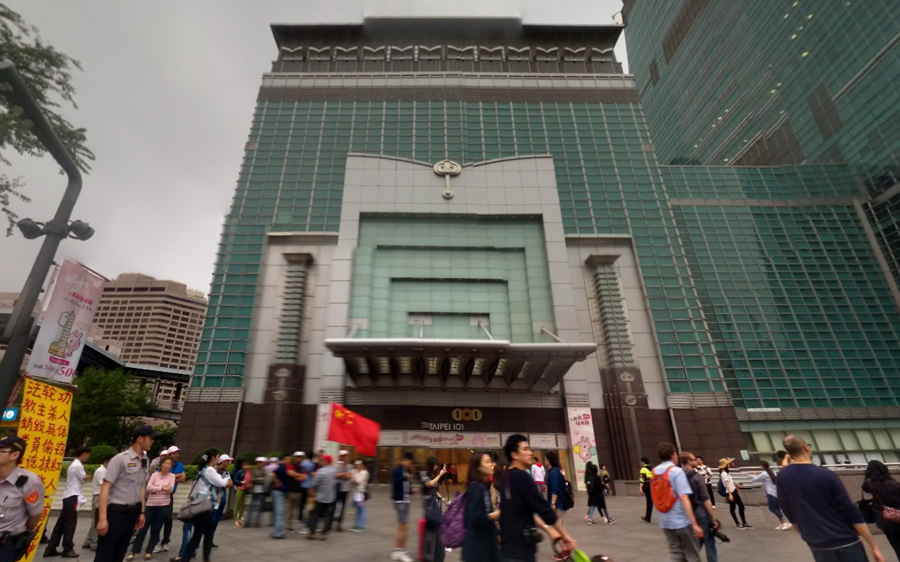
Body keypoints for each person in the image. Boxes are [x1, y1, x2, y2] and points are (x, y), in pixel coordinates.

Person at [777, 435, 885, 562]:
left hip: (817, 544)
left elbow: (788, 510)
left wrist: (806, 535)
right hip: (845, 540)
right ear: (805, 448)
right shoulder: (826, 475)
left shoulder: (782, 477)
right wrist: (873, 546)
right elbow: (850, 510)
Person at [499, 434, 576, 562]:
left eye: (529, 449)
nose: (530, 453)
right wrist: (565, 536)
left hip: (506, 549)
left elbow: (523, 511)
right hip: (521, 551)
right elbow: (544, 510)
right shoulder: (523, 477)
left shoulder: (505, 477)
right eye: (525, 449)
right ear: (514, 455)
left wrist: (547, 529)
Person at [94, 425, 160, 562]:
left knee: (120, 553)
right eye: (150, 438)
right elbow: (105, 488)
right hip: (115, 515)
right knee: (105, 554)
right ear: (140, 439)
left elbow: (142, 487)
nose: (152, 441)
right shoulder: (119, 459)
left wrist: (142, 512)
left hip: (131, 515)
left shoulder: (145, 461)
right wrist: (102, 518)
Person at [179, 449, 233, 562]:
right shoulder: (210, 470)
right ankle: (186, 559)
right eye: (218, 457)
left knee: (208, 536)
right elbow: (223, 483)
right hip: (205, 507)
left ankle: (205, 558)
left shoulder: (204, 469)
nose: (218, 460)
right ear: (213, 458)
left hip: (206, 505)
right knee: (198, 536)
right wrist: (227, 477)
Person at [652, 443, 703, 562]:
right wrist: (694, 523)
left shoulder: (655, 471)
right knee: (692, 554)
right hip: (681, 520)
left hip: (665, 520)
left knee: (675, 553)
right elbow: (684, 497)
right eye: (675, 454)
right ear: (672, 454)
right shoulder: (676, 471)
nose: (677, 457)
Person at [0, 435, 45, 562]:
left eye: (1, 450)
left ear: (14, 455)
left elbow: (35, 515)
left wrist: (20, 531)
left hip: (5, 547)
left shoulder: (29, 482)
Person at [45, 446, 91, 558]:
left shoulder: (73, 464)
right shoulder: (77, 465)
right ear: (84, 454)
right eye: (88, 454)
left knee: (61, 524)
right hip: (73, 497)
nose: (88, 457)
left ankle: (51, 548)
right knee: (70, 524)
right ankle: (67, 548)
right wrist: (89, 476)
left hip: (68, 496)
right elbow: (83, 478)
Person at [128, 457, 175, 560]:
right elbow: (149, 488)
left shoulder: (172, 476)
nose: (167, 465)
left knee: (156, 530)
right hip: (151, 505)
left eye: (169, 464)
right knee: (142, 528)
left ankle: (149, 551)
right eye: (165, 463)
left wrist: (157, 488)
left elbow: (170, 489)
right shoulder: (154, 475)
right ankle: (133, 551)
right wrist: (162, 488)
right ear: (161, 464)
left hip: (164, 506)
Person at [682, 452, 719, 562]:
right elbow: (705, 498)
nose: (696, 461)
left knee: (700, 537)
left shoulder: (679, 475)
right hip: (701, 510)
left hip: (688, 511)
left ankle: (687, 558)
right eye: (694, 459)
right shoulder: (697, 476)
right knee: (709, 540)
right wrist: (714, 518)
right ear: (689, 461)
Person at [462, 452, 500, 562]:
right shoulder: (477, 488)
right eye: (487, 462)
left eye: (491, 461)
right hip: (477, 548)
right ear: (478, 467)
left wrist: (498, 534)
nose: (491, 464)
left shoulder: (483, 486)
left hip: (485, 544)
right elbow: (474, 518)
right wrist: (495, 515)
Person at [862, 460, 900, 559]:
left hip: (886, 520)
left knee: (896, 546)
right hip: (898, 517)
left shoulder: (871, 484)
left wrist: (867, 475)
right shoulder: (895, 484)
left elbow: (864, 487)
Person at [156, 447, 185, 554]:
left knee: (168, 519)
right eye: (174, 453)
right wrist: (174, 477)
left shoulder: (179, 465)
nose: (176, 455)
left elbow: (183, 478)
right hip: (160, 495)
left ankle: (165, 541)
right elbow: (160, 479)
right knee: (158, 519)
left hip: (170, 495)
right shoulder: (163, 464)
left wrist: (170, 477)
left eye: (178, 453)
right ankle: (155, 541)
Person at [82, 454, 113, 552]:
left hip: (102, 497)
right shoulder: (100, 471)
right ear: (106, 461)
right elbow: (105, 485)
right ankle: (94, 543)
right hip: (98, 497)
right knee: (97, 521)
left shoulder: (107, 471)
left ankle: (88, 541)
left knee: (95, 520)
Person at [749, 461, 790, 530]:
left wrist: (750, 475)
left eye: (760, 466)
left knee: (772, 508)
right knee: (777, 509)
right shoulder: (772, 472)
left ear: (762, 466)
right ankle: (782, 523)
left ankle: (785, 522)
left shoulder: (764, 473)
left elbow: (754, 479)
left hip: (771, 493)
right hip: (776, 493)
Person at [390, 453, 415, 562]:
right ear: (405, 460)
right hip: (400, 500)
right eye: (410, 462)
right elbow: (395, 480)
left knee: (402, 525)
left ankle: (397, 551)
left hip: (405, 499)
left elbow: (405, 485)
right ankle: (401, 551)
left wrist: (411, 491)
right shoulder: (398, 470)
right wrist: (405, 476)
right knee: (405, 526)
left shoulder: (404, 470)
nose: (410, 465)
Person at [422, 458, 447, 562]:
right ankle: (429, 555)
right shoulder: (424, 475)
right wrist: (440, 475)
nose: (436, 467)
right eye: (435, 465)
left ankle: (438, 554)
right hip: (429, 504)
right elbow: (429, 484)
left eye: (437, 465)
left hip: (436, 503)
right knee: (431, 528)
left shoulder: (434, 475)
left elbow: (435, 490)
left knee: (438, 528)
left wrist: (442, 498)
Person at [306, 454, 336, 541]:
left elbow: (315, 484)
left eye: (323, 460)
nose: (321, 461)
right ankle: (324, 534)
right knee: (328, 516)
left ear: (326, 461)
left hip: (320, 497)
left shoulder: (320, 471)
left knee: (315, 515)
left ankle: (311, 533)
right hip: (330, 497)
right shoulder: (333, 471)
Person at [718, 458, 751, 529]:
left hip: (734, 491)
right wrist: (730, 494)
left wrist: (736, 484)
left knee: (741, 506)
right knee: (733, 508)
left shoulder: (726, 473)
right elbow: (726, 484)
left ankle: (744, 523)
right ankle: (738, 524)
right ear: (726, 464)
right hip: (731, 492)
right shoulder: (724, 473)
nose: (731, 464)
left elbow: (729, 483)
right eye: (729, 463)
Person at [269, 455, 289, 539]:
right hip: (279, 492)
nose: (289, 460)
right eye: (287, 459)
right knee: (279, 514)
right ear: (283, 459)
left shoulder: (285, 467)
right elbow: (272, 474)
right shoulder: (281, 467)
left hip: (279, 491)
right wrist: (277, 482)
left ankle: (276, 531)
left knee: (277, 513)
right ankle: (278, 533)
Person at [284, 453, 305, 532]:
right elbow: (290, 473)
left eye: (300, 457)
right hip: (291, 490)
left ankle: (292, 525)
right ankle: (288, 524)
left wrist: (296, 476)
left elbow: (304, 478)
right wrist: (299, 475)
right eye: (297, 457)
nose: (299, 458)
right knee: (289, 508)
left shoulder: (303, 467)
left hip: (299, 490)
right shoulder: (291, 465)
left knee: (295, 510)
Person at [545, 451, 568, 522]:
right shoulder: (556, 471)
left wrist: (553, 504)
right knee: (558, 527)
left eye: (545, 459)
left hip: (558, 505)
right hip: (560, 503)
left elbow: (555, 489)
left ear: (548, 461)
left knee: (557, 527)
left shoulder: (553, 473)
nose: (545, 461)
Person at [333, 450, 353, 532]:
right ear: (340, 456)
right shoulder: (337, 465)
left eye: (346, 455)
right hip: (337, 488)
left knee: (343, 507)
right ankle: (330, 522)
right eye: (343, 455)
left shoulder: (350, 466)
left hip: (346, 489)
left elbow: (349, 476)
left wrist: (341, 474)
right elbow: (335, 475)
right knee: (333, 505)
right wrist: (344, 474)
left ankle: (339, 524)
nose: (345, 457)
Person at [246, 457, 268, 528]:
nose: (261, 464)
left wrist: (258, 480)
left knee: (259, 507)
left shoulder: (265, 471)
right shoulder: (254, 471)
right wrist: (260, 479)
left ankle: (257, 522)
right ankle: (248, 522)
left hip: (261, 491)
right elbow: (252, 479)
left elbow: (265, 480)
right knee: (251, 507)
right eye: (260, 462)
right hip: (254, 490)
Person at [351, 460, 369, 532]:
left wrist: (353, 479)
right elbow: (352, 480)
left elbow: (358, 482)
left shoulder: (364, 473)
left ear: (363, 466)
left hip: (360, 494)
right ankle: (356, 525)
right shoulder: (356, 472)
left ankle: (361, 525)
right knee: (357, 509)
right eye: (357, 464)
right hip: (356, 493)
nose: (358, 466)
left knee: (361, 510)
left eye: (360, 465)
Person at [297, 452, 315, 524]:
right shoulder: (312, 465)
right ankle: (306, 517)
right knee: (309, 503)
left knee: (302, 502)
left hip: (302, 484)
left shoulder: (303, 463)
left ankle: (300, 516)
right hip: (309, 485)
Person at [231, 460, 248, 527]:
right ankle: (236, 520)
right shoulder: (240, 471)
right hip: (240, 488)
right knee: (237, 504)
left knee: (243, 505)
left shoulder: (247, 472)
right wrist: (241, 482)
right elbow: (235, 480)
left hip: (245, 489)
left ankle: (240, 518)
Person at [640, 457, 653, 523]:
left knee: (649, 502)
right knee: (651, 502)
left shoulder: (643, 469)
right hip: (652, 486)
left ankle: (648, 517)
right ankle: (648, 516)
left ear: (643, 462)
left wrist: (640, 488)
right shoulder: (652, 468)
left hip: (647, 486)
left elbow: (642, 479)